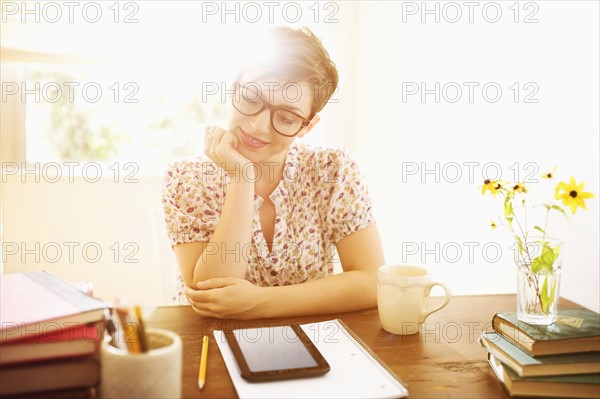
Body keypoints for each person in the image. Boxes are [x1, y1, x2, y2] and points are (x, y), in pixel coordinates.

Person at [162, 26, 384, 319]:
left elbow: (372, 281)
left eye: (286, 117)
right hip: (209, 344)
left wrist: (258, 302)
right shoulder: (187, 178)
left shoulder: (332, 169)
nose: (257, 127)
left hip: (311, 342)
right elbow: (210, 295)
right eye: (252, 98)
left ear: (306, 126)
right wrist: (242, 178)